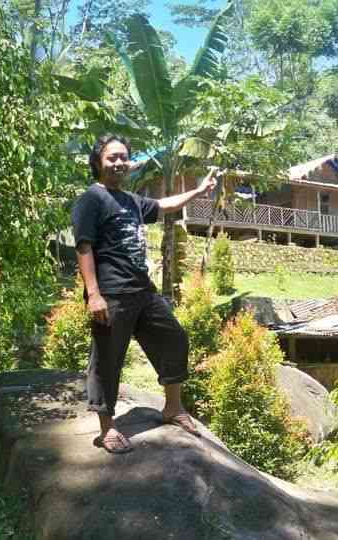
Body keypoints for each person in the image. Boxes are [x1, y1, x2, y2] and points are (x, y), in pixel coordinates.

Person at [71, 133, 217, 454]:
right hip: (111, 293)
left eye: (124, 157)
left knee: (174, 337)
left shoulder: (131, 200)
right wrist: (93, 294)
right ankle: (107, 429)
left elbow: (164, 205)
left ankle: (172, 408)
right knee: (108, 359)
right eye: (112, 157)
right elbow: (83, 246)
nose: (119, 162)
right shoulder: (91, 199)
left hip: (142, 291)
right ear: (98, 162)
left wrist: (198, 190)